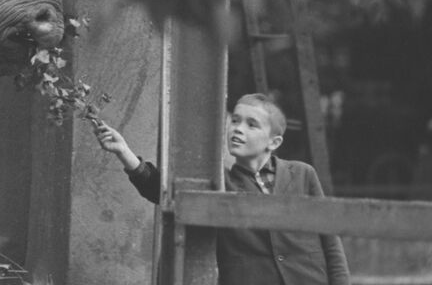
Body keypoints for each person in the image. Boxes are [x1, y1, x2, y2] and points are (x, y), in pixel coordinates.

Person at [93, 93, 350, 285]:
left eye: (252, 124)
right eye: (235, 120)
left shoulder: (303, 174)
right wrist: (124, 153)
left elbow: (330, 242)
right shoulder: (219, 183)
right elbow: (162, 190)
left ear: (274, 142)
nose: (238, 128)